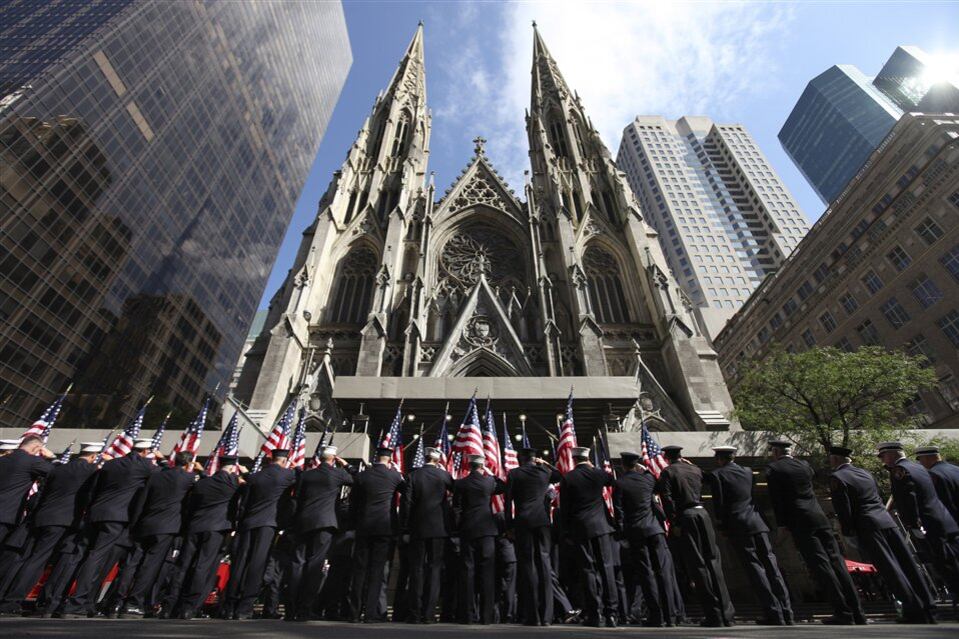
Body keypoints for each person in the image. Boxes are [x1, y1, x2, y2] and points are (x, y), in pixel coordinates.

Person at [52, 438, 158, 618]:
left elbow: (93, 489)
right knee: (96, 557)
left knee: (78, 556)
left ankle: (57, 601)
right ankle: (77, 602)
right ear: (146, 451)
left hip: (95, 513)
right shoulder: (144, 467)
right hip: (116, 518)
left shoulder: (111, 464)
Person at [829, 445, 936, 624]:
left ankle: (913, 609)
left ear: (834, 459)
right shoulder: (865, 473)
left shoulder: (837, 477)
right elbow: (877, 496)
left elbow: (844, 508)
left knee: (889, 568)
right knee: (907, 563)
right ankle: (928, 605)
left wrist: (848, 532)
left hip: (868, 526)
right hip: (886, 521)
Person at [765, 440, 864, 625]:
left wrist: (781, 526)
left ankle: (842, 611)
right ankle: (857, 611)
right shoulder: (804, 465)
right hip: (818, 516)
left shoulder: (774, 469)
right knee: (837, 562)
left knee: (820, 565)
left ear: (776, 452)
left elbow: (778, 500)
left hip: (800, 521)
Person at [0, 442, 99, 615]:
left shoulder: (58, 469)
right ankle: (12, 601)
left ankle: (4, 595)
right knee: (38, 560)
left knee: (24, 558)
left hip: (41, 517)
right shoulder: (90, 471)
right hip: (63, 520)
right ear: (92, 456)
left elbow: (41, 493)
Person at [706, 445, 792, 625]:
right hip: (758, 522)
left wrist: (722, 525)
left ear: (719, 459)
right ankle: (787, 611)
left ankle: (773, 612)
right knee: (772, 566)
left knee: (755, 568)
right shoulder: (747, 472)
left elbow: (720, 504)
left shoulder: (717, 475)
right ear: (733, 457)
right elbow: (751, 497)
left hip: (739, 525)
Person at [656, 445, 734, 628]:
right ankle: (727, 613)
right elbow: (712, 478)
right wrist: (694, 465)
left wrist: (673, 523)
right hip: (703, 514)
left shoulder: (668, 472)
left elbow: (667, 499)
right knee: (713, 562)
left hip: (686, 517)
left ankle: (713, 614)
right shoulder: (695, 469)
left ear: (666, 457)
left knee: (698, 565)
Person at [880, 441, 959, 618]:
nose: (883, 461)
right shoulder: (920, 468)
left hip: (929, 523)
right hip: (946, 521)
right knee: (952, 560)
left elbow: (909, 498)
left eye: (883, 456)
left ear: (892, 454)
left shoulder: (900, 471)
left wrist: (914, 525)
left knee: (945, 564)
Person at [163, 455, 245, 619]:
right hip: (216, 529)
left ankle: (170, 605)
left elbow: (191, 505)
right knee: (203, 567)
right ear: (231, 469)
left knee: (183, 565)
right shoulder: (232, 484)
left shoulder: (202, 483)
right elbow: (249, 485)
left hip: (195, 526)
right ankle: (189, 606)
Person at [119, 451, 198, 616]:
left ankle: (117, 601)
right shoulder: (187, 479)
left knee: (132, 563)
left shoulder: (156, 476)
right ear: (188, 464)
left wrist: (135, 524)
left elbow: (142, 501)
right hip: (166, 527)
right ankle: (135, 602)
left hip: (145, 523)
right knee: (150, 566)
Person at [221, 448, 296, 619]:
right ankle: (244, 607)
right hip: (267, 524)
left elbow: (244, 503)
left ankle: (229, 605)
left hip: (248, 523)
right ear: (284, 461)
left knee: (239, 563)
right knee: (257, 565)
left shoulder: (254, 477)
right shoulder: (286, 475)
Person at [288, 445, 354, 621]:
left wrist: (292, 524)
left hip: (303, 522)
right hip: (325, 523)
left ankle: (290, 608)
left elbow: (296, 499)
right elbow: (356, 478)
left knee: (297, 564)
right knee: (314, 566)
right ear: (333, 458)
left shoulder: (306, 474)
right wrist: (346, 465)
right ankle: (304, 609)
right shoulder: (337, 474)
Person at [613, 450, 678, 627]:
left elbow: (618, 512)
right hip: (655, 530)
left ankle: (656, 616)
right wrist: (646, 471)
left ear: (623, 465)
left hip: (636, 532)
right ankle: (670, 616)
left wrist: (622, 533)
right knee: (663, 573)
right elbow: (657, 487)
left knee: (646, 573)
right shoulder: (648, 479)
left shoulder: (620, 483)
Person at [560, 446, 618, 627]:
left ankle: (595, 614)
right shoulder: (599, 474)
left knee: (587, 571)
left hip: (580, 529)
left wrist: (566, 532)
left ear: (574, 459)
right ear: (588, 458)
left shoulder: (568, 477)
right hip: (601, 527)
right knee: (607, 569)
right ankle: (612, 614)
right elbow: (613, 481)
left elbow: (565, 509)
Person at [349, 447, 406, 622]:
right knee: (377, 572)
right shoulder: (394, 476)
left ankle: (353, 613)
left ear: (376, 458)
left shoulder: (363, 475)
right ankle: (371, 613)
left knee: (359, 570)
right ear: (389, 459)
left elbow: (354, 502)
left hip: (364, 527)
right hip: (384, 528)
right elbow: (407, 491)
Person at [504, 447, 560, 626]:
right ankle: (546, 617)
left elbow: (507, 502)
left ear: (520, 459)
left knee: (528, 566)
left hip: (523, 522)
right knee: (544, 564)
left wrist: (509, 526)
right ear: (534, 458)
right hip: (542, 521)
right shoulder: (544, 471)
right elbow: (560, 476)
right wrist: (545, 463)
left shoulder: (514, 474)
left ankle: (532, 615)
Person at [402, 446, 453, 623]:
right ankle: (429, 614)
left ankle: (414, 613)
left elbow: (407, 504)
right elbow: (457, 495)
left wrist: (406, 529)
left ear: (424, 457)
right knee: (435, 570)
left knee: (416, 570)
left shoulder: (412, 475)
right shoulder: (444, 475)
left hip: (417, 528)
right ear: (437, 460)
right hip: (439, 529)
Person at [452, 453, 504, 624]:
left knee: (467, 572)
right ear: (481, 466)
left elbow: (456, 508)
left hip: (468, 530)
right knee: (487, 573)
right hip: (487, 531)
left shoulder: (460, 483)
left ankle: (467, 616)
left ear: (469, 466)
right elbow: (503, 485)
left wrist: (458, 528)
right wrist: (491, 473)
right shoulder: (489, 482)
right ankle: (486, 617)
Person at [0, 435, 54, 543]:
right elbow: (57, 473)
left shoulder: (3, 459)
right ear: (36, 448)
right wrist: (52, 458)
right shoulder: (31, 461)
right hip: (6, 514)